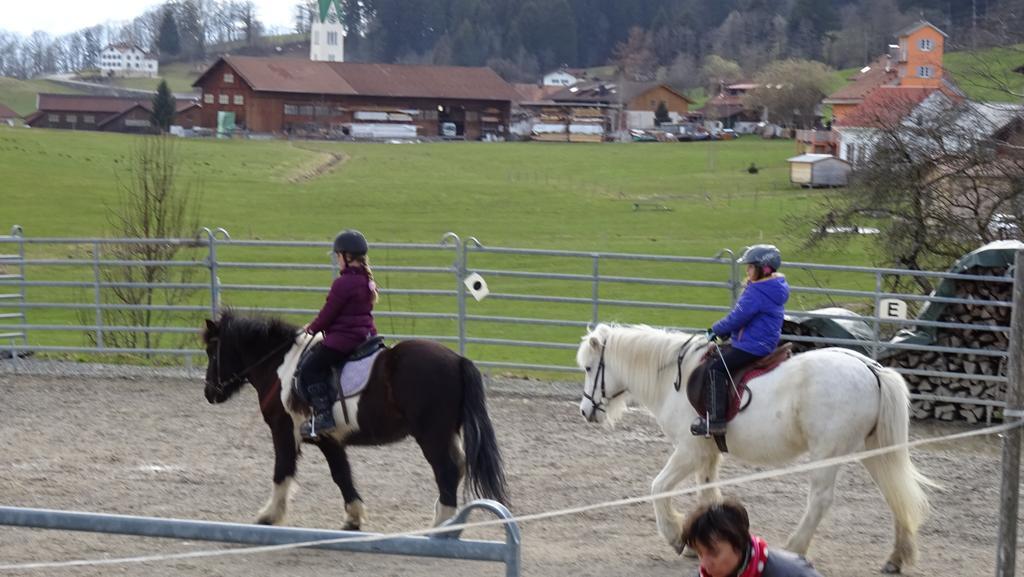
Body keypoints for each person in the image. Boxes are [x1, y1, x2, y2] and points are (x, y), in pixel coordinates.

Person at [691, 244, 789, 437]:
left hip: (752, 346)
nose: (748, 270)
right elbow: (748, 319)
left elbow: (738, 317)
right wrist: (729, 334)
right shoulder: (773, 287)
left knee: (716, 369)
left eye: (751, 267)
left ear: (765, 269)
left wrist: (715, 330)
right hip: (762, 341)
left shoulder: (758, 291)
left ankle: (716, 421)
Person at [298, 229, 379, 439]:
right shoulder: (366, 280)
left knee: (309, 369)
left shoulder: (343, 284)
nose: (337, 260)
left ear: (347, 256)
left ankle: (324, 416)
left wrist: (311, 328)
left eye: (338, 256)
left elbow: (328, 314)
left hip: (343, 340)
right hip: (365, 335)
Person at [681, 498, 823, 577]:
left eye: (714, 553)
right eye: (700, 553)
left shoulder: (794, 574)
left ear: (739, 544)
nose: (705, 564)